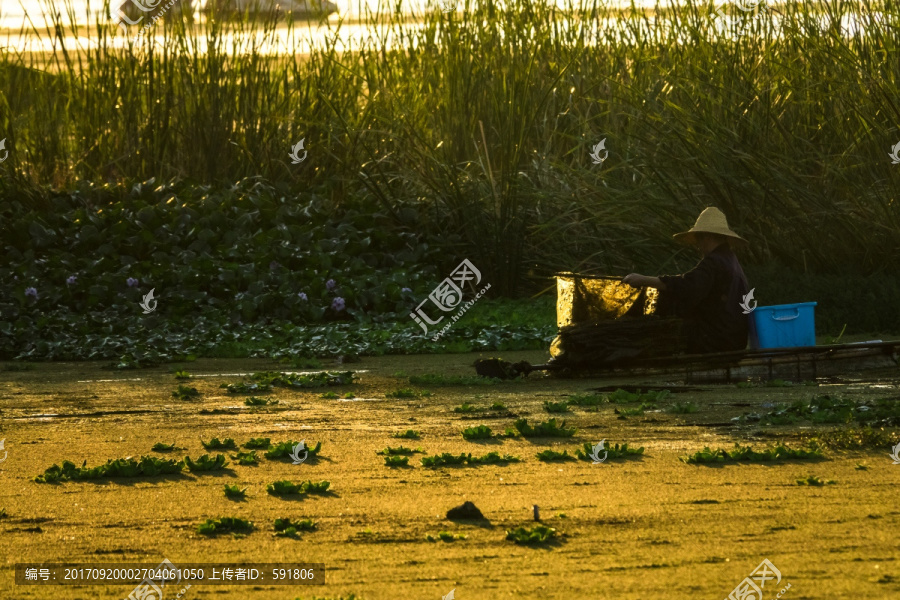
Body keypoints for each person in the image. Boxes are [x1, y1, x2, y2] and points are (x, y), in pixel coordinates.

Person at [622, 207, 750, 354]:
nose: (698, 246)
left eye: (698, 239)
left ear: (706, 237)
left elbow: (688, 287)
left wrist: (645, 280)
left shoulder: (714, 262)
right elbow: (692, 282)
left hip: (715, 341)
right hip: (734, 340)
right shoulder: (731, 261)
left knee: (668, 303)